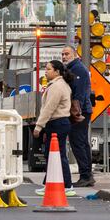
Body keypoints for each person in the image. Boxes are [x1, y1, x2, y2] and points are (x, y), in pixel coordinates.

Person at [33, 59, 75, 196]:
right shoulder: (58, 85)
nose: (46, 71)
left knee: (58, 155)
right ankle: (49, 183)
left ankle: (68, 185)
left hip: (58, 123)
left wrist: (39, 126)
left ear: (57, 72)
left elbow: (49, 108)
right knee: (52, 155)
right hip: (56, 123)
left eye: (49, 69)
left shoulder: (57, 86)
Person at [61, 45, 94, 187]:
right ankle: (87, 175)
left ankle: (86, 175)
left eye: (67, 54)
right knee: (81, 143)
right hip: (80, 110)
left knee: (78, 143)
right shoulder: (72, 69)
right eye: (62, 54)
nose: (64, 56)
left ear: (74, 55)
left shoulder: (78, 69)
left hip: (80, 111)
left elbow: (78, 93)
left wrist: (76, 112)